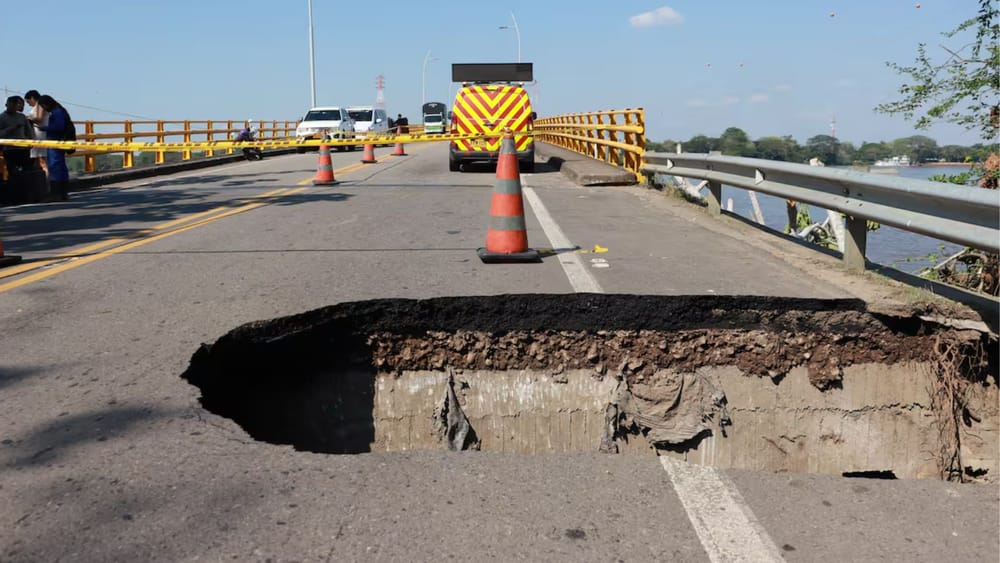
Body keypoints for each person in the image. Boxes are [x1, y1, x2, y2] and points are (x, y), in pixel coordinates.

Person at [37, 95, 72, 201]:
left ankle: (56, 194)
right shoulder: (60, 111)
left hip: (55, 143)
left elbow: (58, 127)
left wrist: (43, 128)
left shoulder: (57, 112)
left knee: (55, 167)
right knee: (60, 167)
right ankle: (62, 193)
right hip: (58, 143)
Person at [0, 95, 34, 172]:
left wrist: (31, 143)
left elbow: (29, 131)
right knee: (12, 171)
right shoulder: (2, 118)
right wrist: (11, 128)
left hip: (23, 148)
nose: (12, 107)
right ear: (6, 105)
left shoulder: (22, 117)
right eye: (11, 105)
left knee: (27, 170)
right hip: (9, 149)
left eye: (15, 105)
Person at [24, 90, 49, 175]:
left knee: (43, 162)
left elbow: (39, 119)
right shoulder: (39, 106)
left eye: (28, 102)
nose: (29, 104)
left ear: (32, 98)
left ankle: (46, 183)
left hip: (41, 135)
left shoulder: (40, 105)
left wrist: (28, 118)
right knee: (37, 162)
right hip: (37, 135)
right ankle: (41, 183)